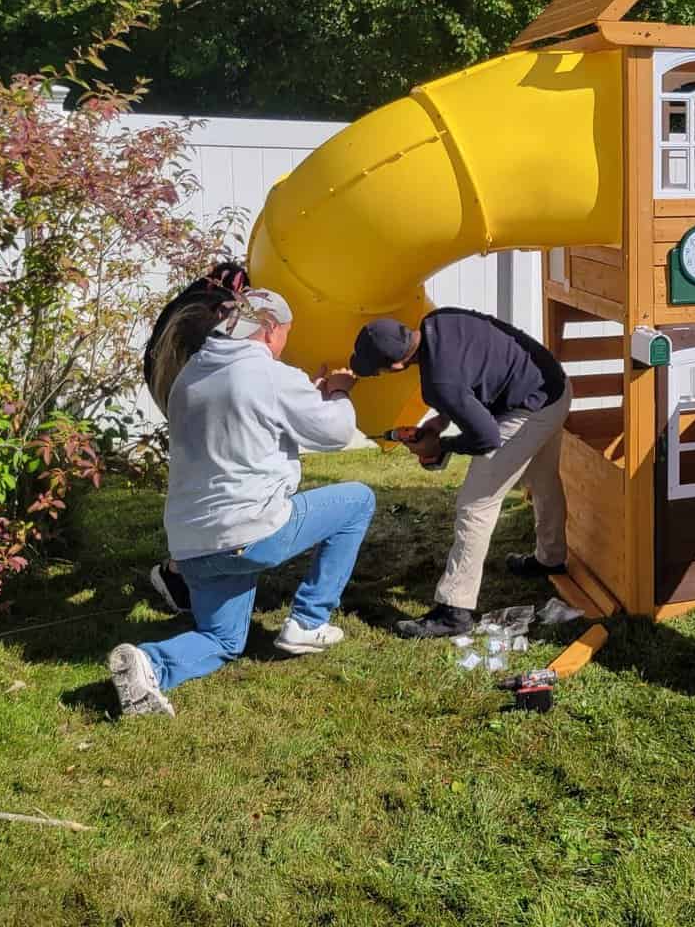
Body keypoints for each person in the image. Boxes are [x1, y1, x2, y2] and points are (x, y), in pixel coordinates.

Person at [107, 288, 374, 717]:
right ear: (269, 329)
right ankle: (308, 621)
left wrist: (307, 395)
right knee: (358, 500)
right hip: (252, 532)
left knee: (224, 641)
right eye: (286, 334)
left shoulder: (189, 377)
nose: (284, 344)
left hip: (191, 545)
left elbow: (252, 417)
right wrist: (339, 391)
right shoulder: (266, 372)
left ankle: (148, 663)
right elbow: (336, 433)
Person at [349, 308, 571, 639]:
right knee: (542, 478)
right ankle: (550, 559)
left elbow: (487, 438)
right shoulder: (437, 320)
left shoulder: (440, 381)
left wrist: (441, 447)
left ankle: (455, 610)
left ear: (396, 366)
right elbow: (466, 383)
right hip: (554, 385)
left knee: (476, 505)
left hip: (530, 407)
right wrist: (437, 424)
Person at [140, 261, 249, 617]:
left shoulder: (189, 311)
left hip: (187, 400)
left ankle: (192, 570)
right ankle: (179, 573)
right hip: (193, 401)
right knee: (210, 486)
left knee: (208, 486)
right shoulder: (204, 320)